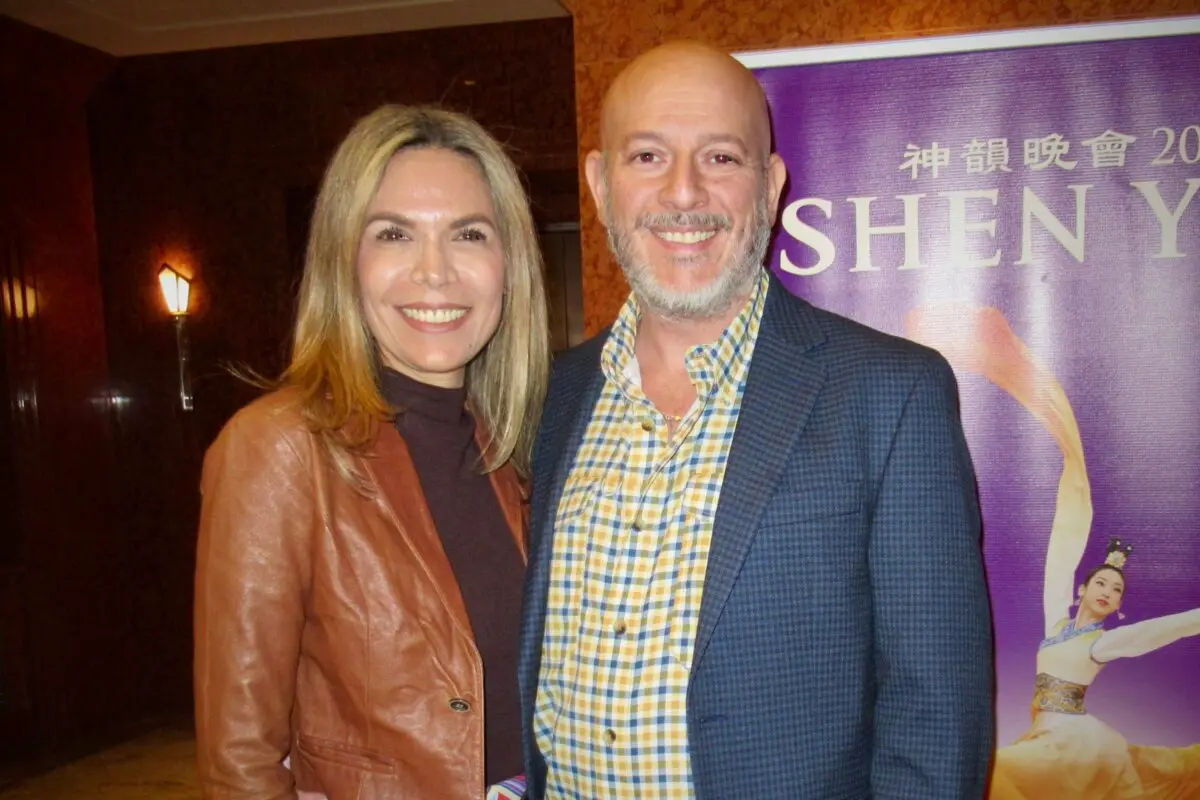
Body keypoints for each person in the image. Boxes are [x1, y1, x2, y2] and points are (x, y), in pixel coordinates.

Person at [517, 41, 994, 799]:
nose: (683, 194)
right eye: (647, 157)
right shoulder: (552, 397)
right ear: (600, 184)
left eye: (720, 158)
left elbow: (938, 714)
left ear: (770, 187)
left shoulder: (890, 394)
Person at [194, 104, 550, 798]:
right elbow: (240, 761)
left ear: (508, 264)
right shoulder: (279, 450)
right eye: (394, 234)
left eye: (468, 234)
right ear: (344, 259)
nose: (435, 272)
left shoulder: (518, 444)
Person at [908, 305, 1200, 800]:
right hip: (1053, 738)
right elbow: (1062, 549)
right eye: (1102, 583)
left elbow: (1162, 631)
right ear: (1085, 589)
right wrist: (1074, 479)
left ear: (1118, 606)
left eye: (1116, 590)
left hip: (1074, 745)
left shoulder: (1099, 644)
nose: (1107, 592)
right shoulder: (1058, 628)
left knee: (998, 780)